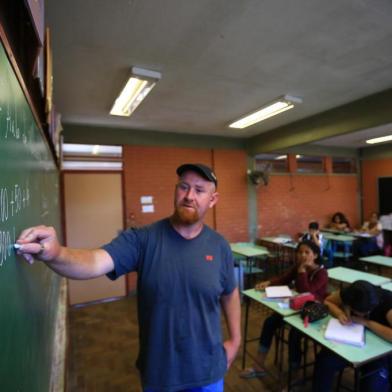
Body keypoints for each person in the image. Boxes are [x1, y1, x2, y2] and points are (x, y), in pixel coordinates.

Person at [16, 163, 241, 392]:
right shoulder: (143, 240)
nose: (189, 196)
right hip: (161, 374)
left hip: (208, 372)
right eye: (183, 187)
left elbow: (230, 292)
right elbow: (94, 262)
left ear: (213, 200)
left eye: (199, 190)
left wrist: (235, 339)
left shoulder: (220, 246)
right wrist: (56, 253)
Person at [240, 240, 328, 379]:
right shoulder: (298, 267)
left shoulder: (321, 273)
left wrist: (302, 271)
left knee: (294, 335)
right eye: (299, 252)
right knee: (269, 322)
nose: (302, 255)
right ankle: (259, 365)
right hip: (294, 308)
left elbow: (306, 292)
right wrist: (268, 283)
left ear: (315, 255)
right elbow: (283, 279)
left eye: (307, 252)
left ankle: (294, 377)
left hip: (311, 313)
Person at [313, 280, 392, 392]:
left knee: (372, 386)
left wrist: (367, 322)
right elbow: (328, 301)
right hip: (349, 343)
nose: (365, 314)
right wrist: (340, 313)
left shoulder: (388, 301)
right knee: (324, 363)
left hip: (377, 354)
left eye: (366, 312)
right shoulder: (351, 293)